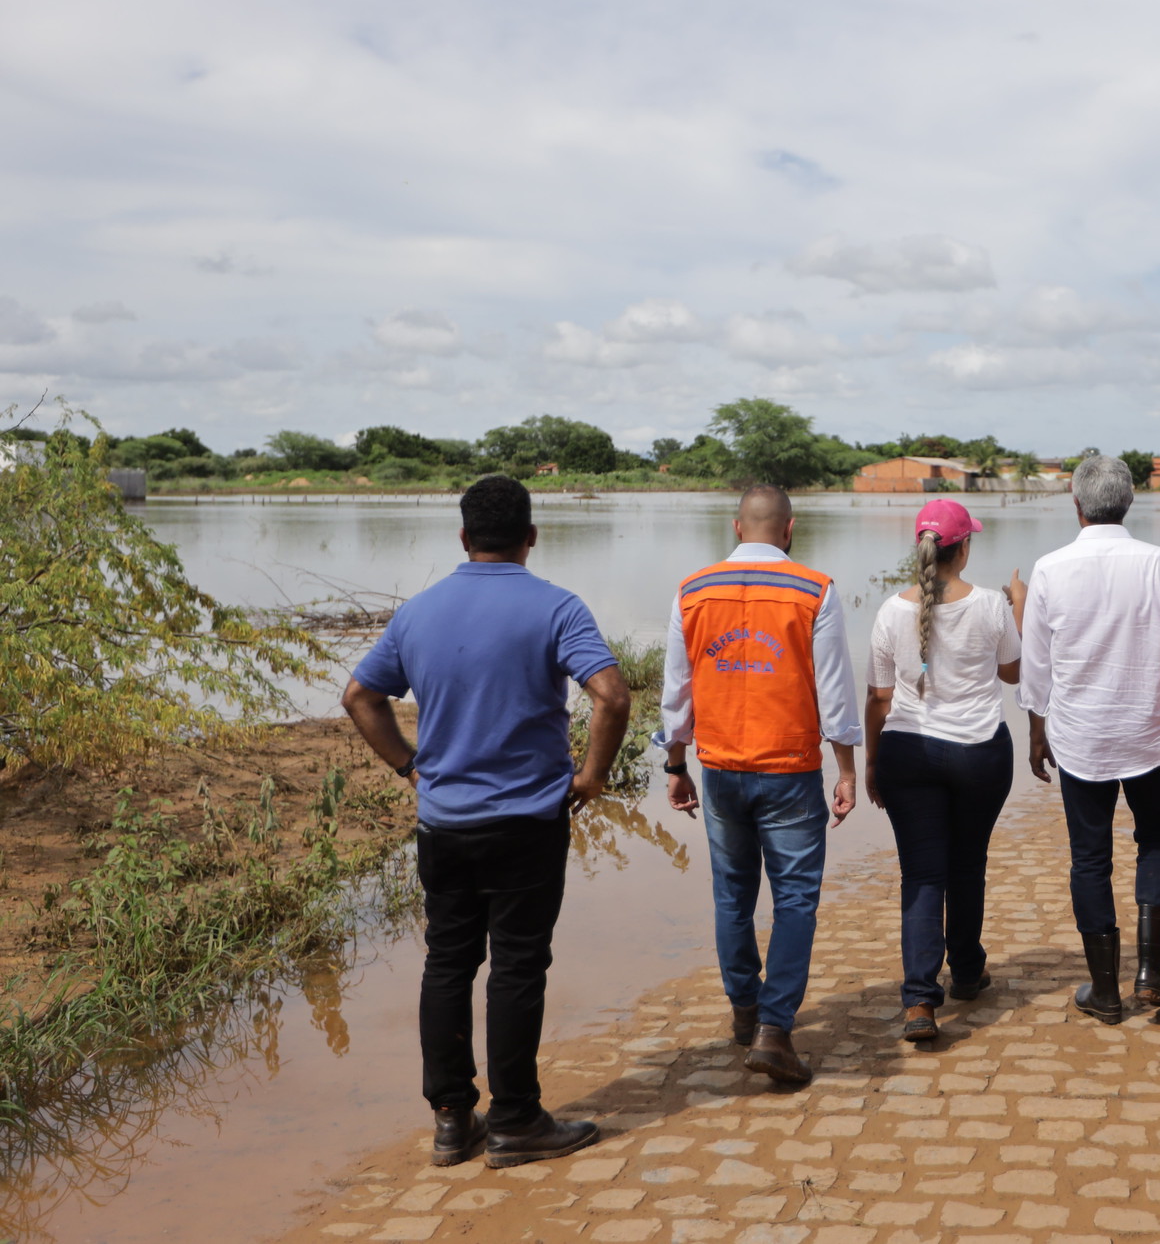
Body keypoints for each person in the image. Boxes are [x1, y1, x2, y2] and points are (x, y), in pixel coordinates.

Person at [342, 474, 631, 1169]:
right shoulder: (558, 607)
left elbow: (359, 695)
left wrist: (411, 767)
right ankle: (515, 1119)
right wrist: (590, 775)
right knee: (518, 966)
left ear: (464, 538)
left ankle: (450, 1118)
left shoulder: (419, 612)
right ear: (532, 537)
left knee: (448, 961)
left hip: (445, 823)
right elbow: (612, 696)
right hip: (529, 821)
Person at [657, 485, 860, 1084]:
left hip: (720, 768)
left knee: (732, 894)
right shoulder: (815, 589)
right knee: (795, 899)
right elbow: (836, 692)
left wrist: (675, 763)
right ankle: (774, 1028)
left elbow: (676, 692)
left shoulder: (692, 590)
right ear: (790, 529)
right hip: (791, 769)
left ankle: (745, 1010)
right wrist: (847, 769)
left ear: (737, 527)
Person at [1019, 453, 1160, 1025]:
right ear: (1128, 502)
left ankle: (1105, 991)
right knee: (1156, 842)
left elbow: (1036, 670)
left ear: (1076, 504)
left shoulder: (1050, 569)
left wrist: (1036, 733)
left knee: (1089, 859)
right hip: (1148, 734)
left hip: (1080, 739)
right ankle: (1151, 973)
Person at [864, 499, 1024, 1042]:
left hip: (906, 753)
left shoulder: (889, 611)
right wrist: (1018, 610)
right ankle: (968, 971)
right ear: (965, 548)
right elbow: (1012, 673)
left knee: (922, 874)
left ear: (922, 549)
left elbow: (878, 697)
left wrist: (870, 762)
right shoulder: (990, 605)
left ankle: (918, 1002)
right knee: (967, 863)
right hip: (978, 752)